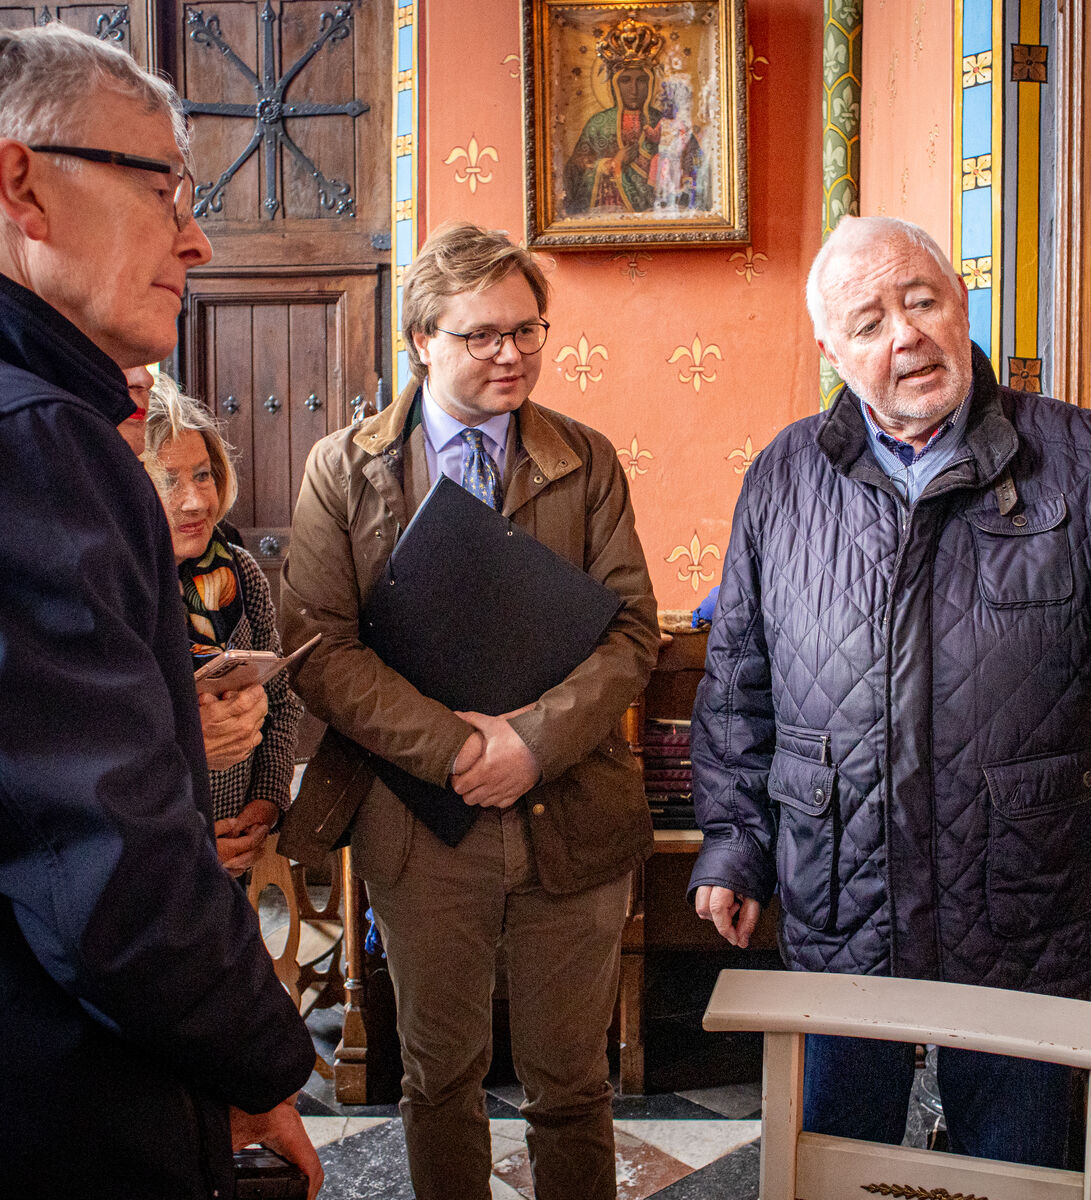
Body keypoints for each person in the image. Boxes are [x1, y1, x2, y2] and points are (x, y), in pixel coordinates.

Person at [688, 215, 1091, 1168]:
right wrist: (735, 844)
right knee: (833, 1163)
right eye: (869, 322)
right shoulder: (785, 478)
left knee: (1018, 1170)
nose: (906, 335)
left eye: (922, 301)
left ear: (961, 305)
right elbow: (737, 684)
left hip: (1021, 901)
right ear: (833, 352)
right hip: (839, 894)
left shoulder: (1083, 454)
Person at [0, 23, 320, 1199]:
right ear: (23, 183)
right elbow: (102, 861)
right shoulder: (41, 439)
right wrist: (257, 1061)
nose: (196, 237)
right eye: (161, 187)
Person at [280, 219, 658, 1200]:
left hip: (568, 808)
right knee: (439, 1078)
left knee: (572, 1083)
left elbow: (631, 633)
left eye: (527, 330)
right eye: (481, 334)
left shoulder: (585, 459)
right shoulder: (344, 467)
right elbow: (319, 650)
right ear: (421, 339)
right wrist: (455, 749)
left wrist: (531, 742)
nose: (511, 354)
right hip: (419, 822)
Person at [143, 375, 303, 874]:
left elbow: (281, 704)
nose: (194, 500)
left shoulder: (240, 571)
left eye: (203, 475)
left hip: (237, 846)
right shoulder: (115, 588)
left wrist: (267, 802)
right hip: (153, 853)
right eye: (168, 481)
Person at [563, 15, 703, 214]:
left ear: (651, 84)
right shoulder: (598, 124)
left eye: (641, 81)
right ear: (614, 85)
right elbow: (574, 174)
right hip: (608, 212)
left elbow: (697, 164)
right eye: (626, 80)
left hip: (661, 213)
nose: (634, 89)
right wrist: (609, 165)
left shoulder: (664, 121)